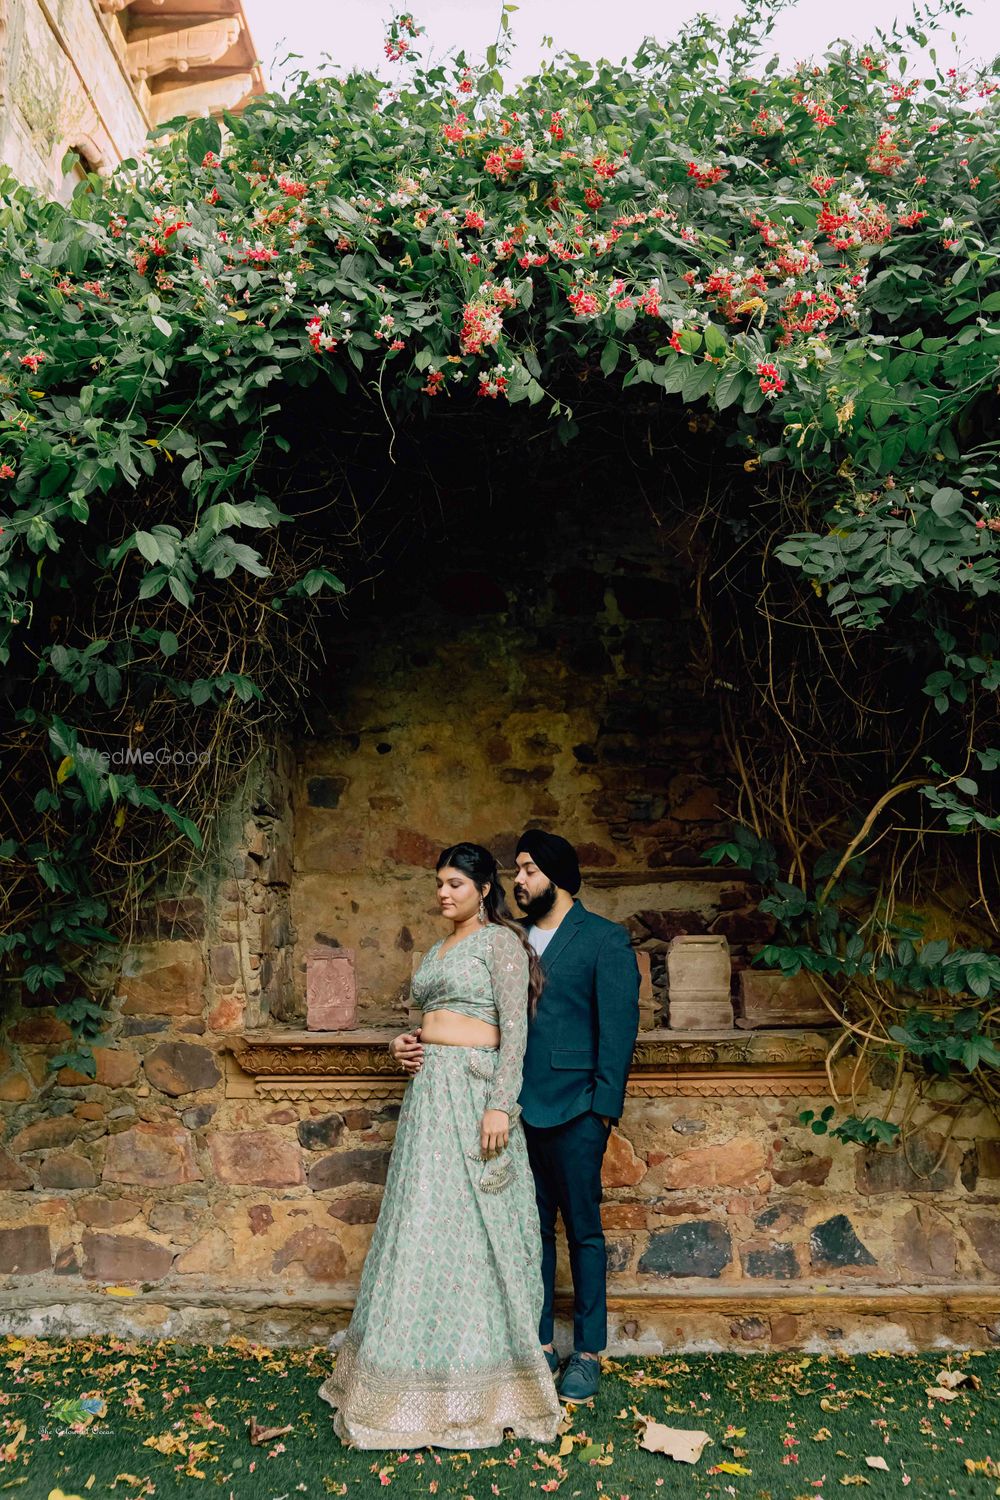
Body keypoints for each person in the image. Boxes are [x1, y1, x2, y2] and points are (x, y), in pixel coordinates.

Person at [319, 842, 561, 1450]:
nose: (444, 893)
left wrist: (501, 1105)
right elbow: (429, 1022)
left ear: (484, 889)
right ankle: (405, 1378)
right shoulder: (435, 951)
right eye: (439, 884)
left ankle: (488, 1383)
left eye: (456, 883)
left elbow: (516, 1033)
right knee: (422, 1227)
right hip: (429, 1100)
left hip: (476, 1099)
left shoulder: (502, 944)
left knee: (477, 1231)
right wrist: (400, 1047)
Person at [512, 829, 640, 1406]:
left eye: (529, 870)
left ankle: (587, 1352)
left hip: (578, 1110)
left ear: (557, 876)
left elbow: (618, 1032)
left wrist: (602, 1114)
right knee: (529, 1233)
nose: (519, 880)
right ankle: (538, 1345)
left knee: (583, 1231)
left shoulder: (604, 940)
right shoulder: (509, 942)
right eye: (517, 870)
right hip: (516, 1108)